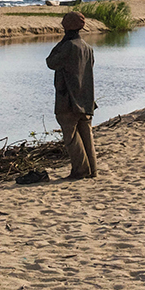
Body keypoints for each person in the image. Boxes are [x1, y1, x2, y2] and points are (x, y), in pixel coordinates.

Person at [46, 11, 97, 179]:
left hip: (69, 99)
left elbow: (51, 62)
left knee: (71, 136)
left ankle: (80, 170)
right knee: (86, 136)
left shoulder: (68, 46)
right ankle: (92, 170)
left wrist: (62, 42)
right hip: (86, 98)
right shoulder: (87, 48)